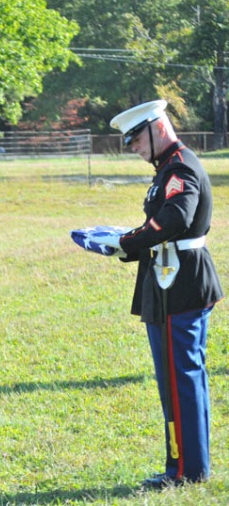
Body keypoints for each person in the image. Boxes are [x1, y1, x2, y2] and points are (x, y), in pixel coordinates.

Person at [105, 100, 223, 489]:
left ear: (158, 129)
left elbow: (174, 219)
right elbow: (161, 225)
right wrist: (125, 244)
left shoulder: (180, 167)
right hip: (169, 280)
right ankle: (187, 465)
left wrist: (124, 241)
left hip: (180, 283)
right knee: (179, 379)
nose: (134, 147)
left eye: (137, 138)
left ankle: (187, 470)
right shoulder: (168, 168)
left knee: (179, 380)